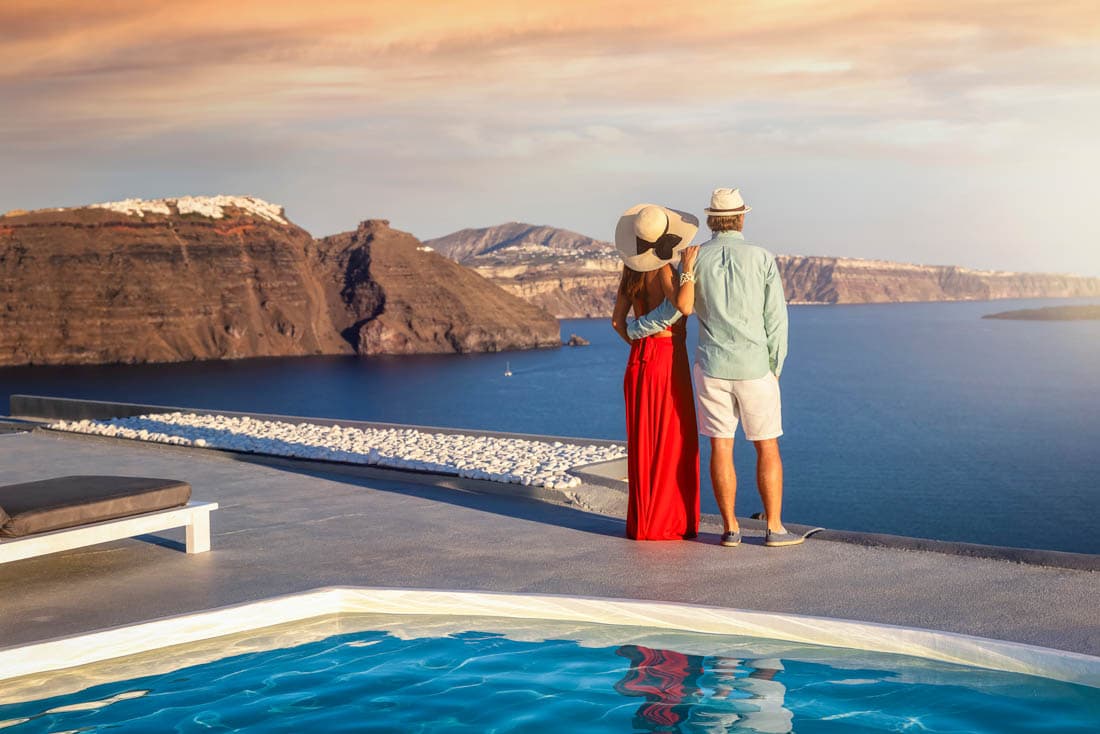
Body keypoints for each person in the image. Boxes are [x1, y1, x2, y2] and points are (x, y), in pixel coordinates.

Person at [630, 188, 801, 547]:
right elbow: (776, 319)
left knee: (721, 447)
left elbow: (674, 310)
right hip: (755, 367)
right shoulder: (761, 257)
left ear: (711, 220)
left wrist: (635, 328)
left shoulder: (694, 258)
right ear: (741, 219)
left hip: (711, 368)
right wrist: (775, 366)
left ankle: (730, 529)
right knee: (767, 446)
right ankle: (774, 528)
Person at [611, 203, 701, 541]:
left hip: (639, 360)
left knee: (644, 442)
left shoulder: (630, 273)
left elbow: (617, 322)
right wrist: (688, 269)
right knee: (672, 441)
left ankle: (644, 522)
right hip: (667, 359)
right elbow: (683, 306)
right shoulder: (665, 269)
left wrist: (639, 341)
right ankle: (670, 522)